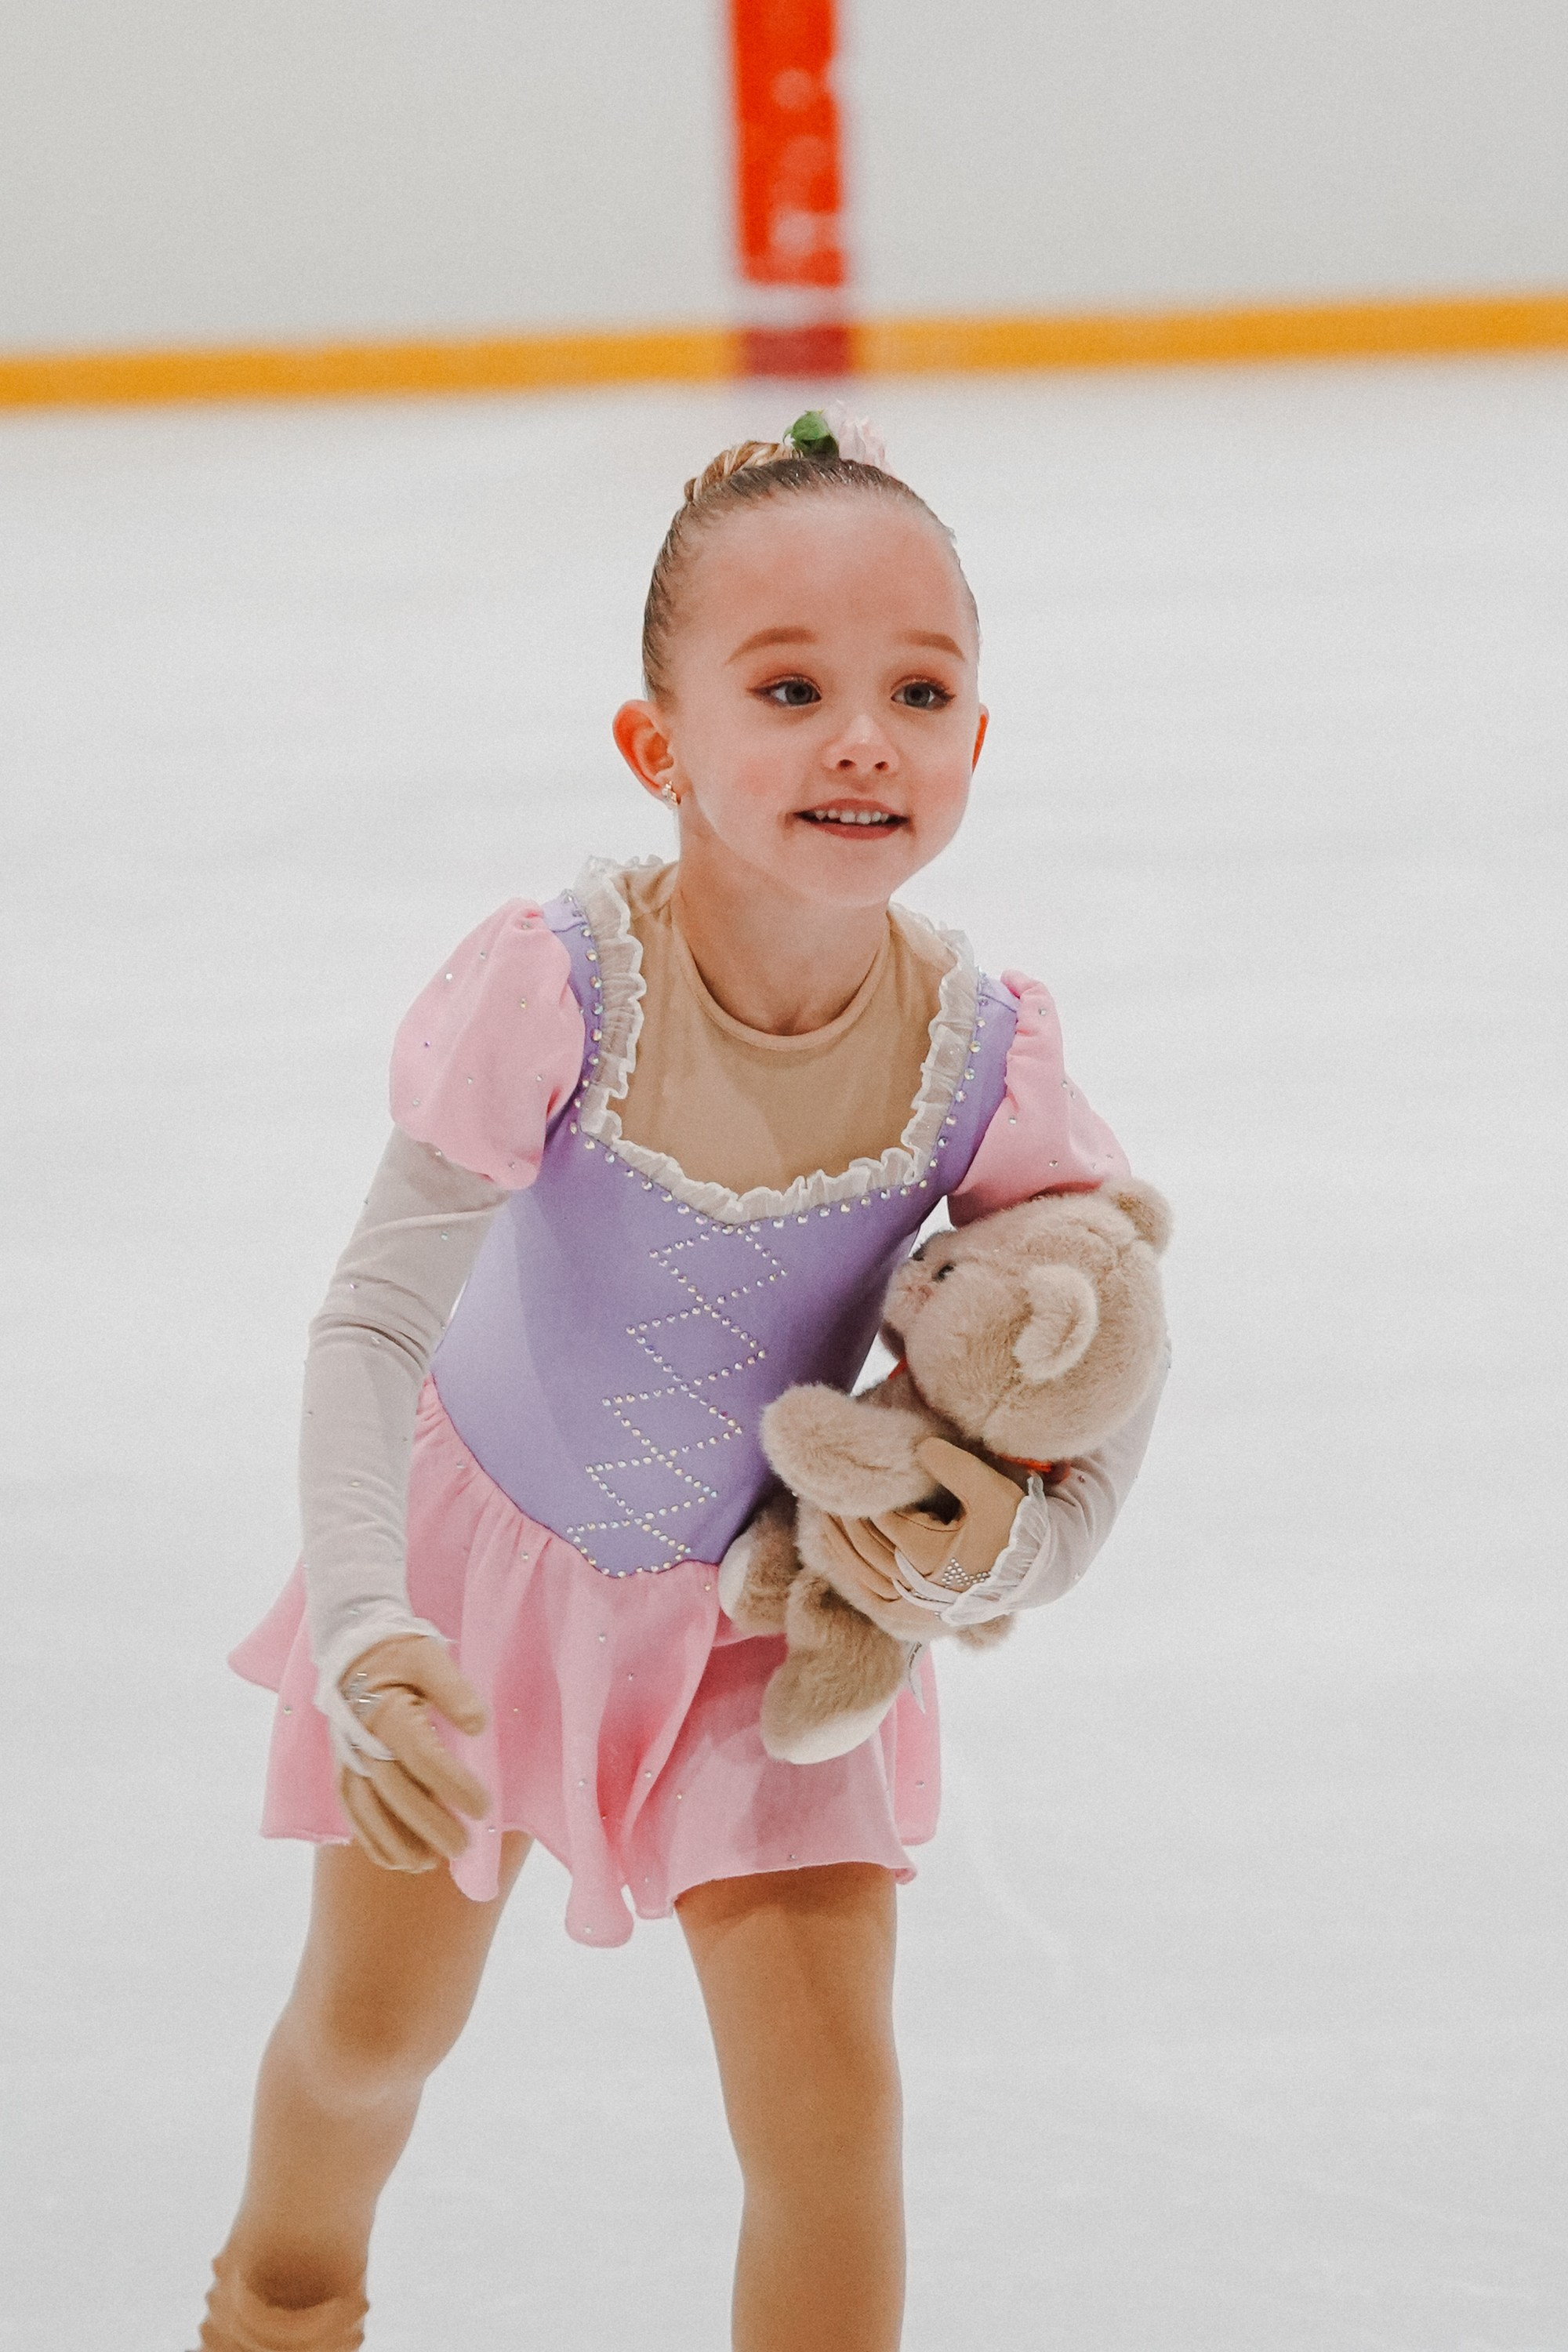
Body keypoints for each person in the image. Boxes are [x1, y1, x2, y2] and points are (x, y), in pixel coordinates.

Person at [198, 408, 1167, 2352]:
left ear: (979, 739)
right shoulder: (559, 982)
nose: (862, 737)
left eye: (919, 688)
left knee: (833, 2125)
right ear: (661, 747)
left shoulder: (983, 1048)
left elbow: (1097, 1359)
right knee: (370, 2038)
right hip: (478, 1590)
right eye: (789, 686)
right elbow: (373, 1322)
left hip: (758, 1629)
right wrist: (369, 1628)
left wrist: (1001, 1562)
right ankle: (279, 2307)